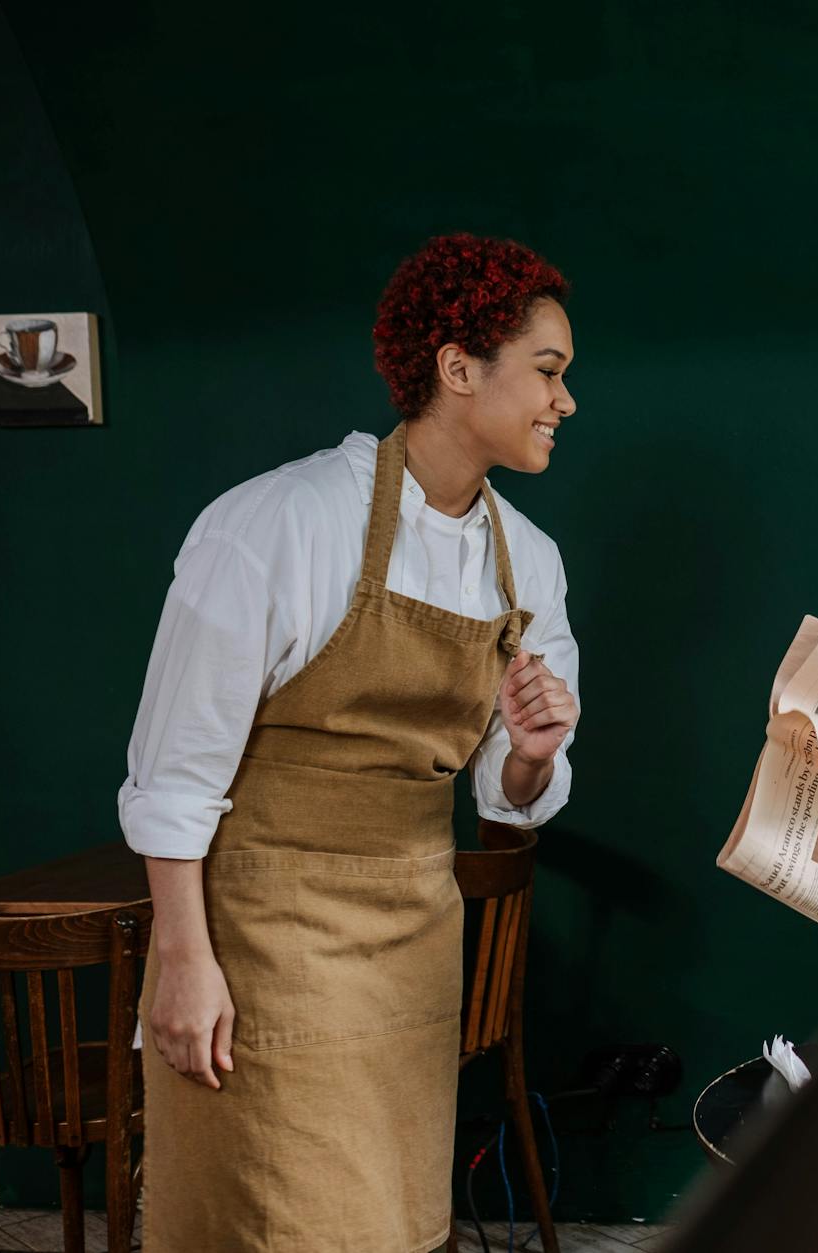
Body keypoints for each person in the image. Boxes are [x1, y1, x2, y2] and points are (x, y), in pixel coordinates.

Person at [119, 234, 583, 1251]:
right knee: (274, 1220)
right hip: (264, 938)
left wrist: (532, 750)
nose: (566, 400)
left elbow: (505, 795)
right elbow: (174, 772)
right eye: (548, 371)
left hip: (413, 940)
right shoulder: (277, 523)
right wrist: (182, 963)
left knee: (389, 1225)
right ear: (457, 367)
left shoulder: (529, 564)